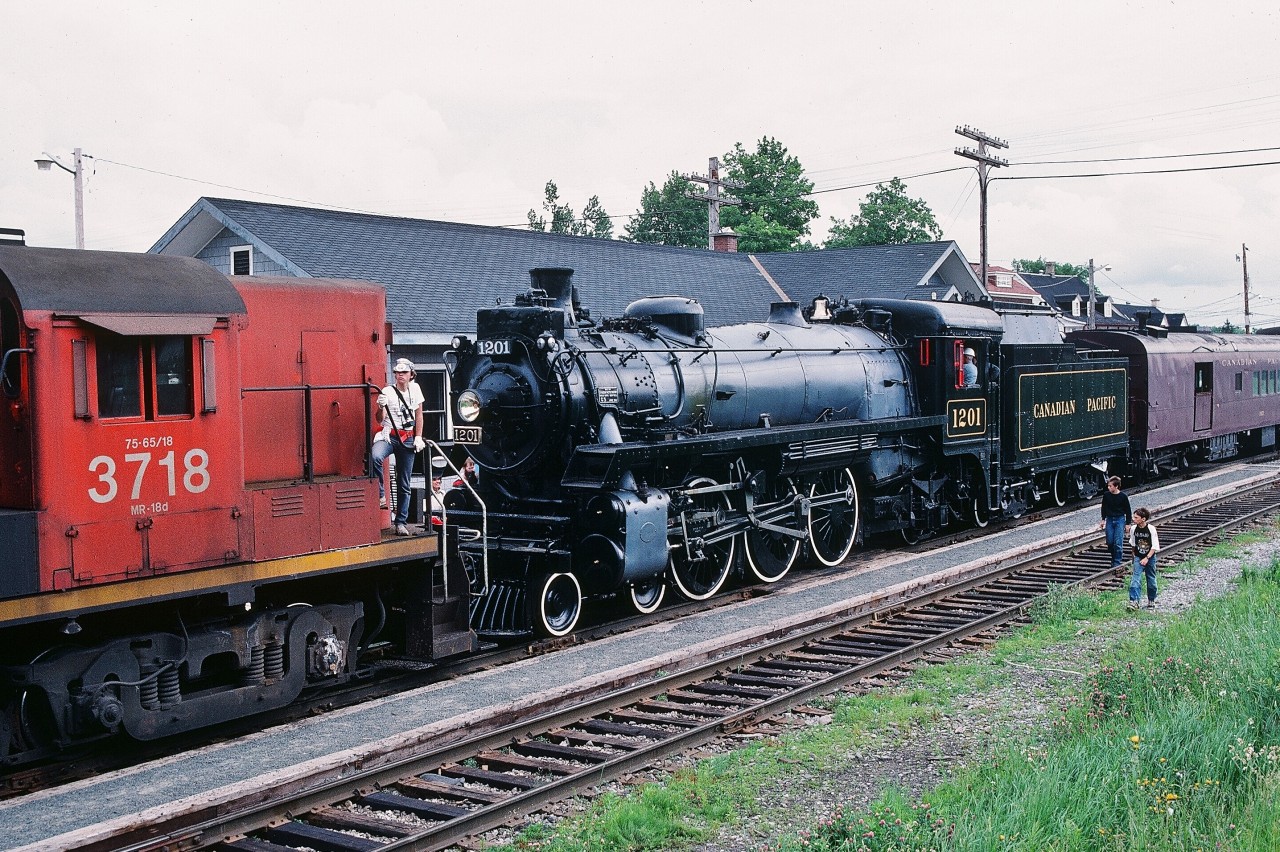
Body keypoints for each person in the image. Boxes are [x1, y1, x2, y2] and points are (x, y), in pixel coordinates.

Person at [371, 358, 426, 536]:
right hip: (389, 434)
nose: (399, 375)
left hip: (408, 438)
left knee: (404, 483)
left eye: (403, 372)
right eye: (397, 372)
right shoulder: (388, 391)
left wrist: (418, 436)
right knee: (376, 456)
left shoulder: (416, 389)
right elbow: (379, 419)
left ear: (411, 374)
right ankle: (381, 494)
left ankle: (400, 522)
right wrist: (381, 406)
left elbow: (419, 415)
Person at [1127, 507, 1160, 609]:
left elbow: (1154, 546)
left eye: (1136, 517)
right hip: (1138, 556)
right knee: (1135, 578)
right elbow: (1133, 542)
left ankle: (1151, 599)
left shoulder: (1151, 529)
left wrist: (1147, 558)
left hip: (1150, 556)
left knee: (1151, 578)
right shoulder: (1133, 529)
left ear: (1143, 519)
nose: (1133, 519)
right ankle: (1134, 601)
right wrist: (1133, 554)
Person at [1097, 475, 1132, 570]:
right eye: (1108, 486)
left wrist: (1128, 523)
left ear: (1116, 486)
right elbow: (1103, 507)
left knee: (1118, 542)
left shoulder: (1123, 497)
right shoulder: (1106, 495)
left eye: (1110, 486)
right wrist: (1103, 519)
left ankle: (1117, 562)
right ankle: (1114, 557)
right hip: (1109, 519)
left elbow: (1128, 510)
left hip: (1120, 519)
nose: (1108, 488)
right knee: (1110, 541)